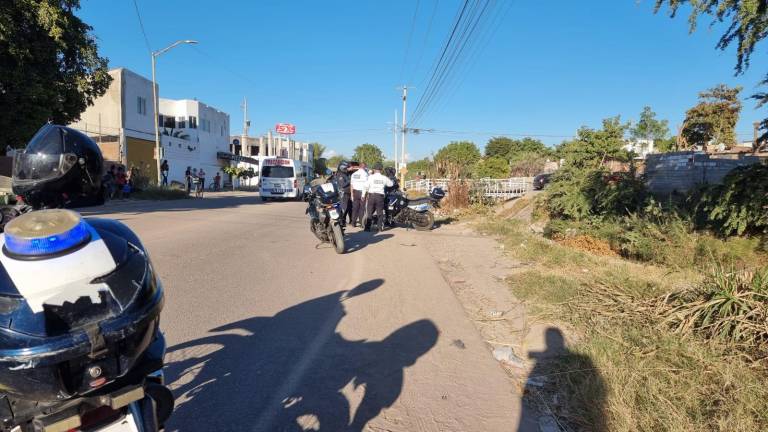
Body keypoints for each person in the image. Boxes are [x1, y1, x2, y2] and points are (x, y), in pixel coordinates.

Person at [363, 162, 393, 232]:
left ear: (374, 169)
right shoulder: (384, 177)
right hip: (380, 197)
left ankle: (367, 228)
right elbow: (391, 184)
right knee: (380, 213)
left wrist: (363, 195)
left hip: (371, 196)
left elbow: (366, 186)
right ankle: (380, 228)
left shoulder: (370, 177)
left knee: (369, 212)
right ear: (381, 170)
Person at [350, 162, 369, 228]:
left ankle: (353, 222)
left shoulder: (354, 174)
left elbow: (351, 185)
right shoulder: (365, 174)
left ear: (359, 166)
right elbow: (366, 186)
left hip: (355, 192)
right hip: (362, 192)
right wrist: (364, 195)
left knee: (355, 208)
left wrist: (352, 195)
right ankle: (361, 223)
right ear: (364, 167)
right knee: (361, 208)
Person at [334, 161, 351, 226]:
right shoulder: (340, 175)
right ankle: (340, 221)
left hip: (347, 193)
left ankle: (343, 221)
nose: (347, 169)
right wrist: (349, 181)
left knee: (347, 208)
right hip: (343, 194)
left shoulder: (344, 174)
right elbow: (342, 184)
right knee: (343, 208)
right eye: (346, 168)